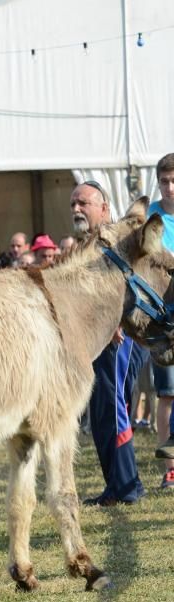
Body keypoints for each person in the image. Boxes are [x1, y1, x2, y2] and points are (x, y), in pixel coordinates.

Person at [70, 180, 151, 505]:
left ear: (103, 208)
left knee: (116, 407)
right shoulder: (86, 246)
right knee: (102, 409)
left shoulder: (118, 242)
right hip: (95, 338)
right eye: (73, 203)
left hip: (121, 335)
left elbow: (138, 282)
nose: (76, 209)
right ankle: (114, 487)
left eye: (83, 203)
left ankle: (129, 486)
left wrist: (118, 320)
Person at [144, 153, 174, 490]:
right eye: (164, 181)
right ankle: (171, 469)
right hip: (163, 314)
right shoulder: (149, 216)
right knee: (167, 393)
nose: (169, 188)